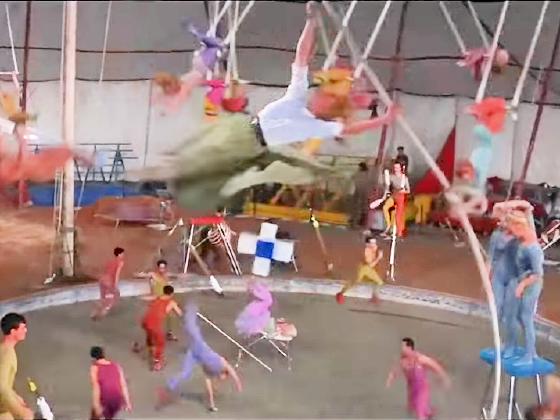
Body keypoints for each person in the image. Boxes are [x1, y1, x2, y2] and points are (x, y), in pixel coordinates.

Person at [140, 1, 398, 212]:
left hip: (252, 143)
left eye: (325, 96)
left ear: (329, 108)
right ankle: (181, 177)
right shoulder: (297, 96)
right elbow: (301, 57)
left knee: (215, 162)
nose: (318, 93)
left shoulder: (317, 126)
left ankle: (189, 185)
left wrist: (383, 120)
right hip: (246, 129)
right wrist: (311, 22)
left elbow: (349, 129)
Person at [158, 304, 243, 412]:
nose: (222, 380)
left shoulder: (209, 372)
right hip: (200, 347)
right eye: (224, 378)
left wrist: (212, 405)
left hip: (194, 354)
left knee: (186, 373)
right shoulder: (221, 363)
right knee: (192, 329)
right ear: (224, 374)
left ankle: (169, 387)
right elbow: (233, 373)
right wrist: (238, 384)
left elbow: (209, 389)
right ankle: (190, 309)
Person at [508, 210, 545, 366]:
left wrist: (522, 285)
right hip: (523, 281)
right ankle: (531, 350)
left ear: (519, 226)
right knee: (518, 316)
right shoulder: (524, 239)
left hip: (531, 285)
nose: (511, 233)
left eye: (512, 229)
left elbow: (537, 274)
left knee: (526, 318)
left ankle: (530, 355)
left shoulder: (533, 249)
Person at [386, 337, 450, 420]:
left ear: (409, 348)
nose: (401, 349)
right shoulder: (403, 361)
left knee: (420, 413)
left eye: (403, 346)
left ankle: (425, 413)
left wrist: (444, 378)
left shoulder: (420, 359)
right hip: (411, 390)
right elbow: (395, 371)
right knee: (413, 409)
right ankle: (429, 412)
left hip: (422, 390)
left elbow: (436, 367)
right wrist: (389, 380)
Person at [487, 208, 520, 358]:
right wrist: (487, 276)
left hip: (514, 277)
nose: (502, 222)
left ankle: (511, 345)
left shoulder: (520, 237)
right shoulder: (497, 235)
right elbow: (491, 257)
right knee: (496, 310)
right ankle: (498, 341)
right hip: (499, 275)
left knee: (510, 313)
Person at [135, 285, 183, 371]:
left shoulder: (157, 298)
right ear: (172, 294)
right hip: (154, 324)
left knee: (149, 334)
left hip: (145, 321)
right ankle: (157, 362)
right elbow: (180, 313)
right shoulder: (171, 302)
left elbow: (148, 300)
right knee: (161, 343)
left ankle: (148, 347)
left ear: (164, 291)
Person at [0, 313, 33, 420]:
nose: (25, 330)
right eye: (22, 328)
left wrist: (16, 397)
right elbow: (2, 387)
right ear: (13, 331)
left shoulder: (4, 349)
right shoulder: (7, 354)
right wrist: (20, 411)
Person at [138, 259, 178, 341]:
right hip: (156, 300)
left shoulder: (167, 275)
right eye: (160, 268)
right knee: (155, 319)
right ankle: (151, 336)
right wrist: (140, 274)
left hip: (165, 299)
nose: (162, 270)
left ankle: (169, 333)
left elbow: (175, 276)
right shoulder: (153, 275)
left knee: (170, 316)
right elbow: (143, 275)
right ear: (157, 268)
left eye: (163, 268)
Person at [336, 236, 384, 304]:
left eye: (375, 243)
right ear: (367, 244)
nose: (374, 245)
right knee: (354, 281)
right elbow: (370, 265)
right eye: (372, 243)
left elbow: (379, 249)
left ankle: (374, 297)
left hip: (368, 269)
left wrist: (379, 251)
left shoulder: (374, 247)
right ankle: (340, 294)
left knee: (379, 282)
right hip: (363, 269)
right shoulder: (366, 251)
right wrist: (378, 258)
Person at [89, 346, 131, 420]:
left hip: (105, 399)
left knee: (94, 416)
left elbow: (96, 388)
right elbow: (123, 385)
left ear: (93, 358)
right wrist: (128, 402)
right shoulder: (117, 366)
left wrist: (96, 405)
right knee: (108, 416)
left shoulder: (95, 368)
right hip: (117, 400)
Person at [91, 247, 125, 320]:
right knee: (112, 298)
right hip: (109, 282)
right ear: (119, 254)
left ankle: (94, 312)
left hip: (102, 280)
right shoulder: (120, 262)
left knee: (103, 298)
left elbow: (106, 271)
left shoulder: (110, 261)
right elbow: (117, 274)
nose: (123, 255)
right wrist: (115, 285)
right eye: (122, 253)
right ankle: (101, 315)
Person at [382, 161, 410, 238]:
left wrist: (403, 191)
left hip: (401, 197)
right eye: (395, 167)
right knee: (385, 207)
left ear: (400, 168)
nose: (396, 169)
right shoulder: (392, 177)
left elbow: (408, 190)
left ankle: (399, 232)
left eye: (397, 167)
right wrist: (385, 195)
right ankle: (388, 225)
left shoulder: (404, 178)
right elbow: (387, 187)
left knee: (398, 215)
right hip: (393, 195)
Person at [349, 161, 377, 229]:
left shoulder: (359, 174)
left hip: (360, 193)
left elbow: (353, 179)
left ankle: (355, 222)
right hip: (363, 194)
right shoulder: (367, 174)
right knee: (361, 208)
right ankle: (358, 222)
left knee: (358, 208)